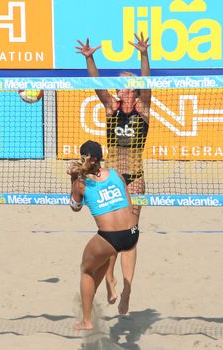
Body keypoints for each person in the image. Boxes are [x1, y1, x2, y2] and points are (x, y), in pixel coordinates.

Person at [76, 33, 151, 309]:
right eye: (120, 87)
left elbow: (146, 83)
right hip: (113, 179)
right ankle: (109, 277)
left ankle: (127, 289)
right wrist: (90, 58)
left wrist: (143, 54)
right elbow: (96, 85)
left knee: (130, 235)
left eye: (127, 87)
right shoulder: (111, 109)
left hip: (135, 179)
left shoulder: (143, 109)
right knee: (111, 233)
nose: (122, 90)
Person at [68, 140, 139, 330]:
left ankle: (87, 321)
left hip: (110, 237)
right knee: (109, 253)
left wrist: (73, 180)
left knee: (86, 270)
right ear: (100, 157)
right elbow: (129, 204)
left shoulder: (81, 183)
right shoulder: (115, 174)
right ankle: (123, 289)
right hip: (132, 233)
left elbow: (75, 207)